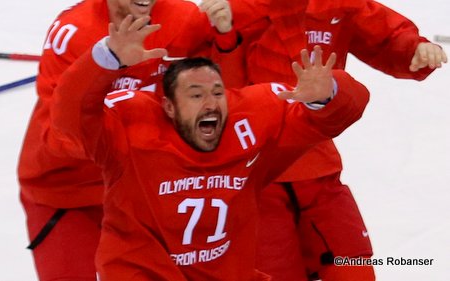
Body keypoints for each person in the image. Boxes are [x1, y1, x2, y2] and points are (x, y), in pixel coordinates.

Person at [46, 15, 369, 281]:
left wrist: (327, 96)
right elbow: (70, 123)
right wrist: (105, 59)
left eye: (217, 92)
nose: (211, 103)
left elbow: (330, 119)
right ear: (169, 107)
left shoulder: (250, 120)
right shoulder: (132, 127)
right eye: (196, 94)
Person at [216, 0, 448, 280]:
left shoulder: (335, 5)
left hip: (318, 166)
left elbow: (386, 34)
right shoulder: (232, 10)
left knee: (353, 267)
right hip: (255, 174)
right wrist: (223, 34)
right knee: (271, 271)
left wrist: (414, 48)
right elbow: (205, 81)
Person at [17, 0, 239, 280]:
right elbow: (57, 134)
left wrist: (225, 39)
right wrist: (103, 64)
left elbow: (217, 106)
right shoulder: (72, 31)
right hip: (70, 190)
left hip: (145, 190)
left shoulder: (185, 20)